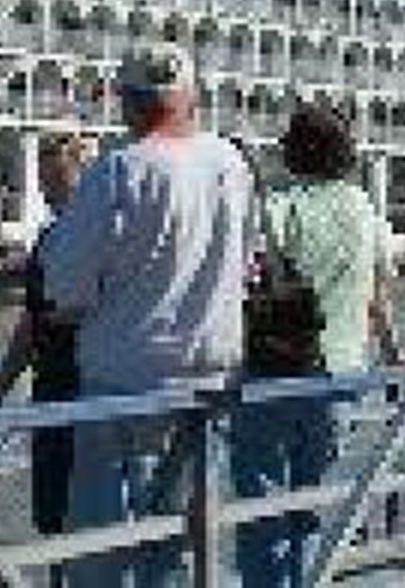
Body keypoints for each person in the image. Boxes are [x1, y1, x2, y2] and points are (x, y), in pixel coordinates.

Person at [35, 45, 253, 588]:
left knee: (103, 549)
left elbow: (64, 290)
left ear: (127, 101)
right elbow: (247, 265)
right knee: (180, 542)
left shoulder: (118, 170)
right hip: (214, 377)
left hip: (126, 384)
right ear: (191, 97)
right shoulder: (232, 164)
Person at [232, 104, 405, 588]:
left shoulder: (282, 206)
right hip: (344, 372)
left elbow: (246, 275)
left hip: (276, 370)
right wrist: (392, 352)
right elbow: (379, 290)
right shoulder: (363, 207)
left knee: (262, 500)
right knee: (310, 500)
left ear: (293, 151)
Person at [0, 132, 100, 538]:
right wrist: (0, 386)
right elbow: (32, 322)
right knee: (61, 510)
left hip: (80, 386)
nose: (48, 191)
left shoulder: (90, 239)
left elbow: (37, 323)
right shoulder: (55, 238)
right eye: (44, 181)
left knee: (72, 510)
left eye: (57, 180)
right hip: (66, 384)